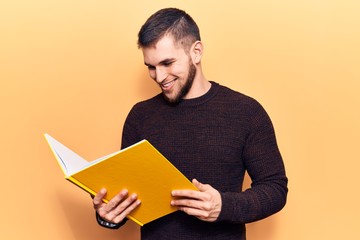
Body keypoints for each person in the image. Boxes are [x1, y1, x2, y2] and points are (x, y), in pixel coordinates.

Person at [92, 7, 288, 240]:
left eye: (167, 63)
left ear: (196, 52)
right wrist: (108, 215)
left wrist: (224, 206)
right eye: (151, 67)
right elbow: (128, 195)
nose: (160, 76)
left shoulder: (246, 112)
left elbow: (275, 188)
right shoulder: (140, 116)